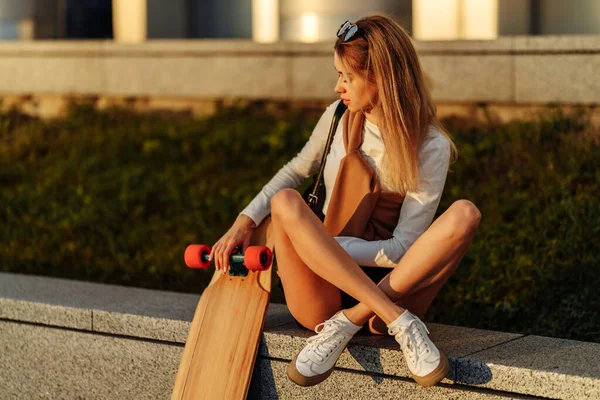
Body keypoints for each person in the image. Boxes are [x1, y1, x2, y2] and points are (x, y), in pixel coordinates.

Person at [208, 15, 481, 388]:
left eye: (347, 77)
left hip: (392, 282)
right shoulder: (337, 117)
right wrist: (244, 222)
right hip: (321, 287)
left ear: (381, 78)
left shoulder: (430, 146)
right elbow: (294, 171)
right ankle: (401, 323)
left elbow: (403, 250)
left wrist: (322, 246)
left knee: (465, 213)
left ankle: (350, 321)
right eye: (338, 75)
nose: (338, 87)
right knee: (287, 199)